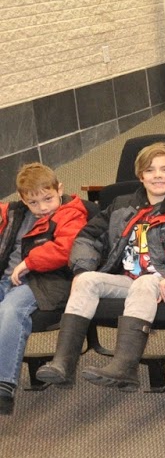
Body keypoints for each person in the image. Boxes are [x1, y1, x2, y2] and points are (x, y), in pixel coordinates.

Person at [38, 142, 165, 390]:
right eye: (150, 170)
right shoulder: (122, 206)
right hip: (130, 281)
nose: (158, 176)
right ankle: (63, 364)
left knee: (145, 281)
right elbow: (87, 237)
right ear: (141, 175)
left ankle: (124, 368)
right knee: (88, 280)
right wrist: (81, 269)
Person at [0, 163, 89, 414]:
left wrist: (29, 262)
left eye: (48, 199)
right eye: (33, 203)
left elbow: (66, 249)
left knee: (10, 309)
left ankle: (3, 386)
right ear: (22, 199)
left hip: (46, 282)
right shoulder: (13, 213)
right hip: (6, 280)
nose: (42, 208)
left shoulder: (71, 212)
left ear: (59, 189)